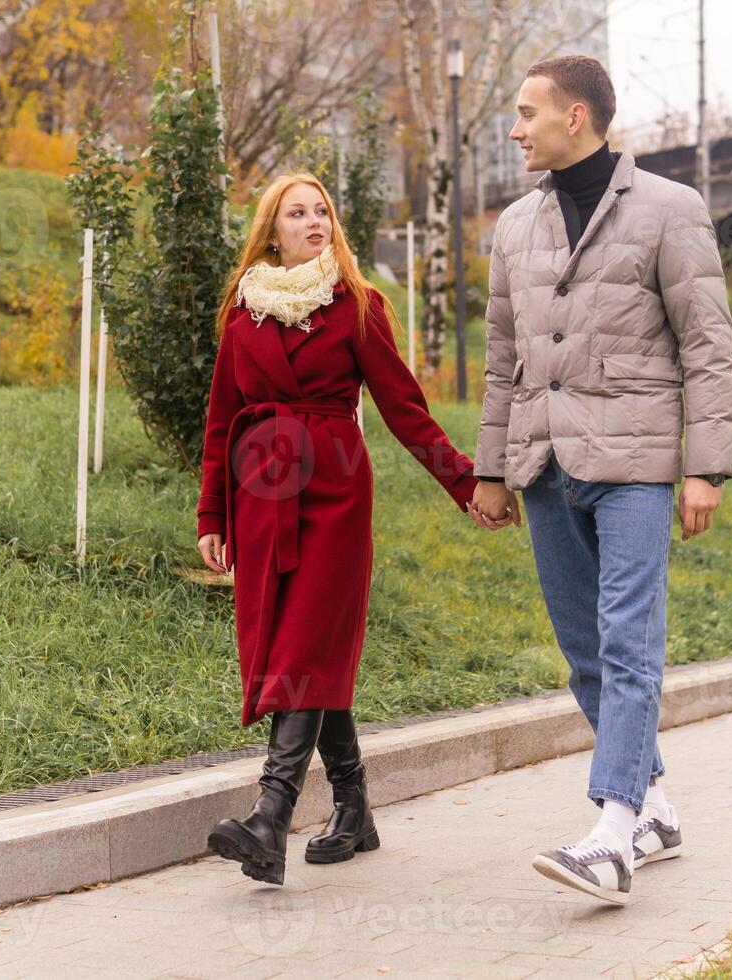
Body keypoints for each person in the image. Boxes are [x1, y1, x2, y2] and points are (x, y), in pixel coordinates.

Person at [468, 55, 732, 905]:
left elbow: (707, 344)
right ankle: (655, 805)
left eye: (525, 113)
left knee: (629, 641)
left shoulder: (670, 208)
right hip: (545, 464)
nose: (515, 129)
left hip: (635, 463)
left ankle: (612, 832)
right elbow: (504, 360)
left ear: (575, 117)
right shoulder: (514, 225)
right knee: (584, 651)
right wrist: (489, 468)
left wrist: (705, 466)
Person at [196, 172, 483, 885]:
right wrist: (211, 513)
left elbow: (404, 408)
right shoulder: (243, 313)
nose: (315, 221)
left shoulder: (357, 306)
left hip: (332, 493)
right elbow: (220, 419)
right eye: (298, 213)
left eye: (322, 211)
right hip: (262, 495)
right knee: (308, 650)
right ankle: (353, 806)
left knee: (306, 642)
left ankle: (270, 813)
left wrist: (467, 481)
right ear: (272, 232)